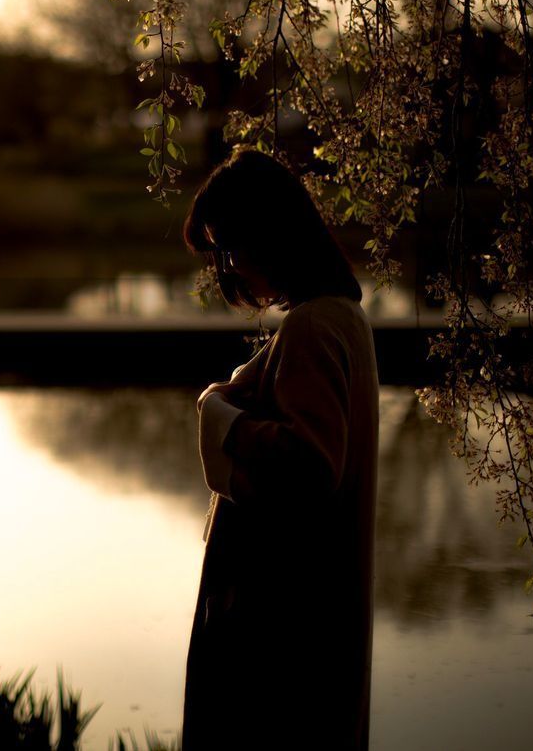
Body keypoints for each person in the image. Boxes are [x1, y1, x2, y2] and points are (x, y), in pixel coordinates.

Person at [180, 148, 379, 750]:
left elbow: (312, 463)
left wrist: (223, 419)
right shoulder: (343, 318)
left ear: (269, 233)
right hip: (312, 614)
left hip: (284, 627)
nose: (231, 265)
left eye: (232, 244)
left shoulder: (313, 328)